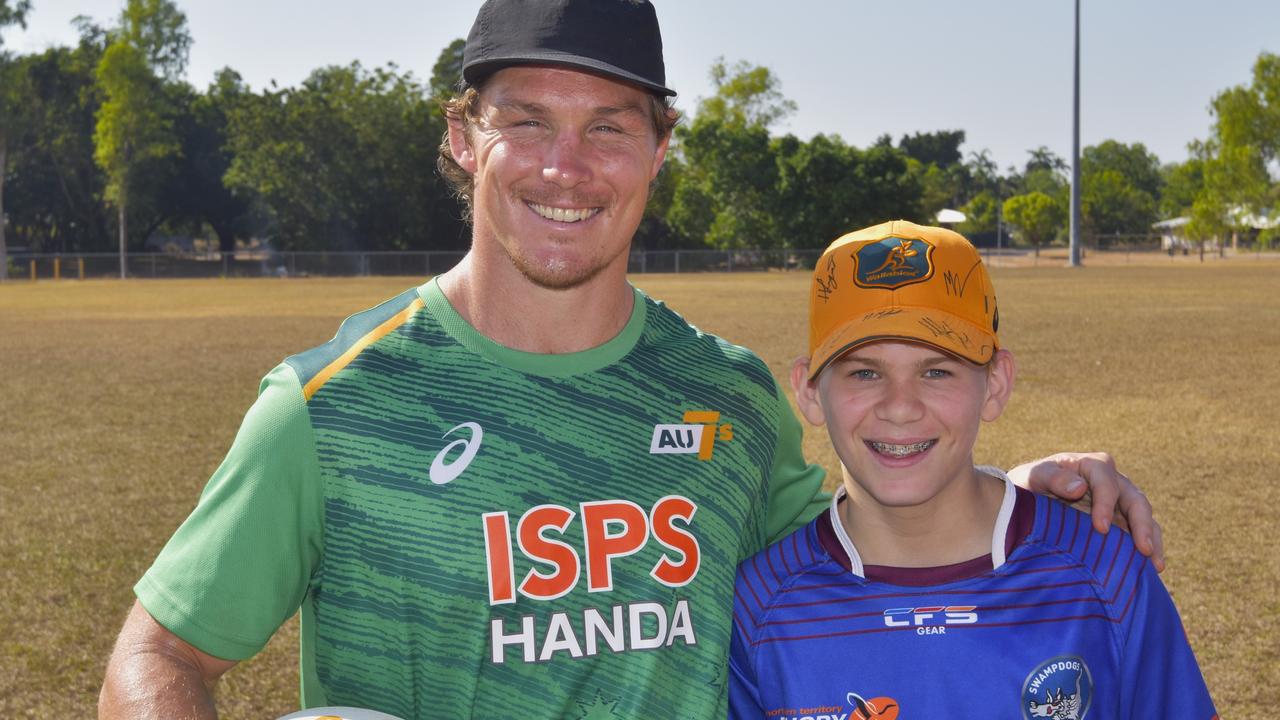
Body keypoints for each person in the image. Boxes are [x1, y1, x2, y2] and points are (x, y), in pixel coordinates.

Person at [98, 2, 1163, 718]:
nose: (567, 167)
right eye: (527, 120)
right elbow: (160, 655)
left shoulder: (729, 397)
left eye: (608, 127)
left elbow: (851, 555)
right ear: (465, 135)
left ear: (657, 151)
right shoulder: (330, 408)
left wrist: (1001, 494)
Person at [728, 221, 1214, 719]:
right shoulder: (757, 608)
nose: (900, 407)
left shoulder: (1104, 574)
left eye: (937, 371)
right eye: (864, 372)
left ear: (996, 383)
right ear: (809, 391)